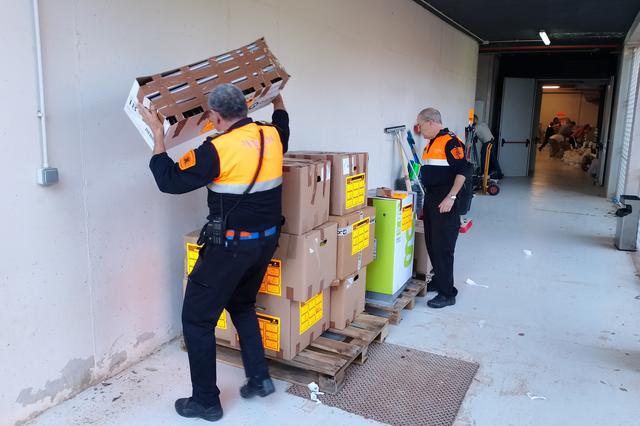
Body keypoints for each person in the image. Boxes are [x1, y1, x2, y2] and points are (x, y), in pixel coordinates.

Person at [139, 84, 289, 422]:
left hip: (230, 248)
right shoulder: (271, 136)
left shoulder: (215, 150)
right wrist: (278, 100)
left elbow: (169, 181)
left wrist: (157, 135)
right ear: (247, 108)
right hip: (266, 242)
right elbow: (283, 122)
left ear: (215, 116)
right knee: (242, 303)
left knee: (197, 319)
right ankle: (259, 378)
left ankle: (206, 401)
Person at [417, 108, 469, 308]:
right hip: (432, 198)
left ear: (431, 122)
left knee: (444, 247)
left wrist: (451, 197)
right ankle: (439, 280)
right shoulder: (432, 142)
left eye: (420, 126)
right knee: (432, 243)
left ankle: (448, 294)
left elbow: (463, 170)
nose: (419, 130)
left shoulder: (451, 141)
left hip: (445, 200)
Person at [473, 114, 503, 179]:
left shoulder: (476, 127)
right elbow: (483, 133)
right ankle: (498, 174)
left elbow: (472, 135)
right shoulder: (483, 124)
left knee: (484, 158)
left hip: (487, 143)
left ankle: (484, 174)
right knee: (492, 158)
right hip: (492, 141)